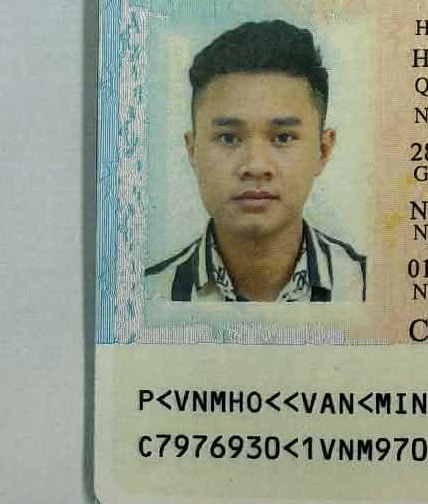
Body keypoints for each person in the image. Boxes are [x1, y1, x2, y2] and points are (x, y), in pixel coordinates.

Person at [145, 19, 366, 302]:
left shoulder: (368, 288)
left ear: (322, 151)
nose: (255, 166)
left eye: (283, 137)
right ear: (192, 150)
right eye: (228, 138)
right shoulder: (145, 297)